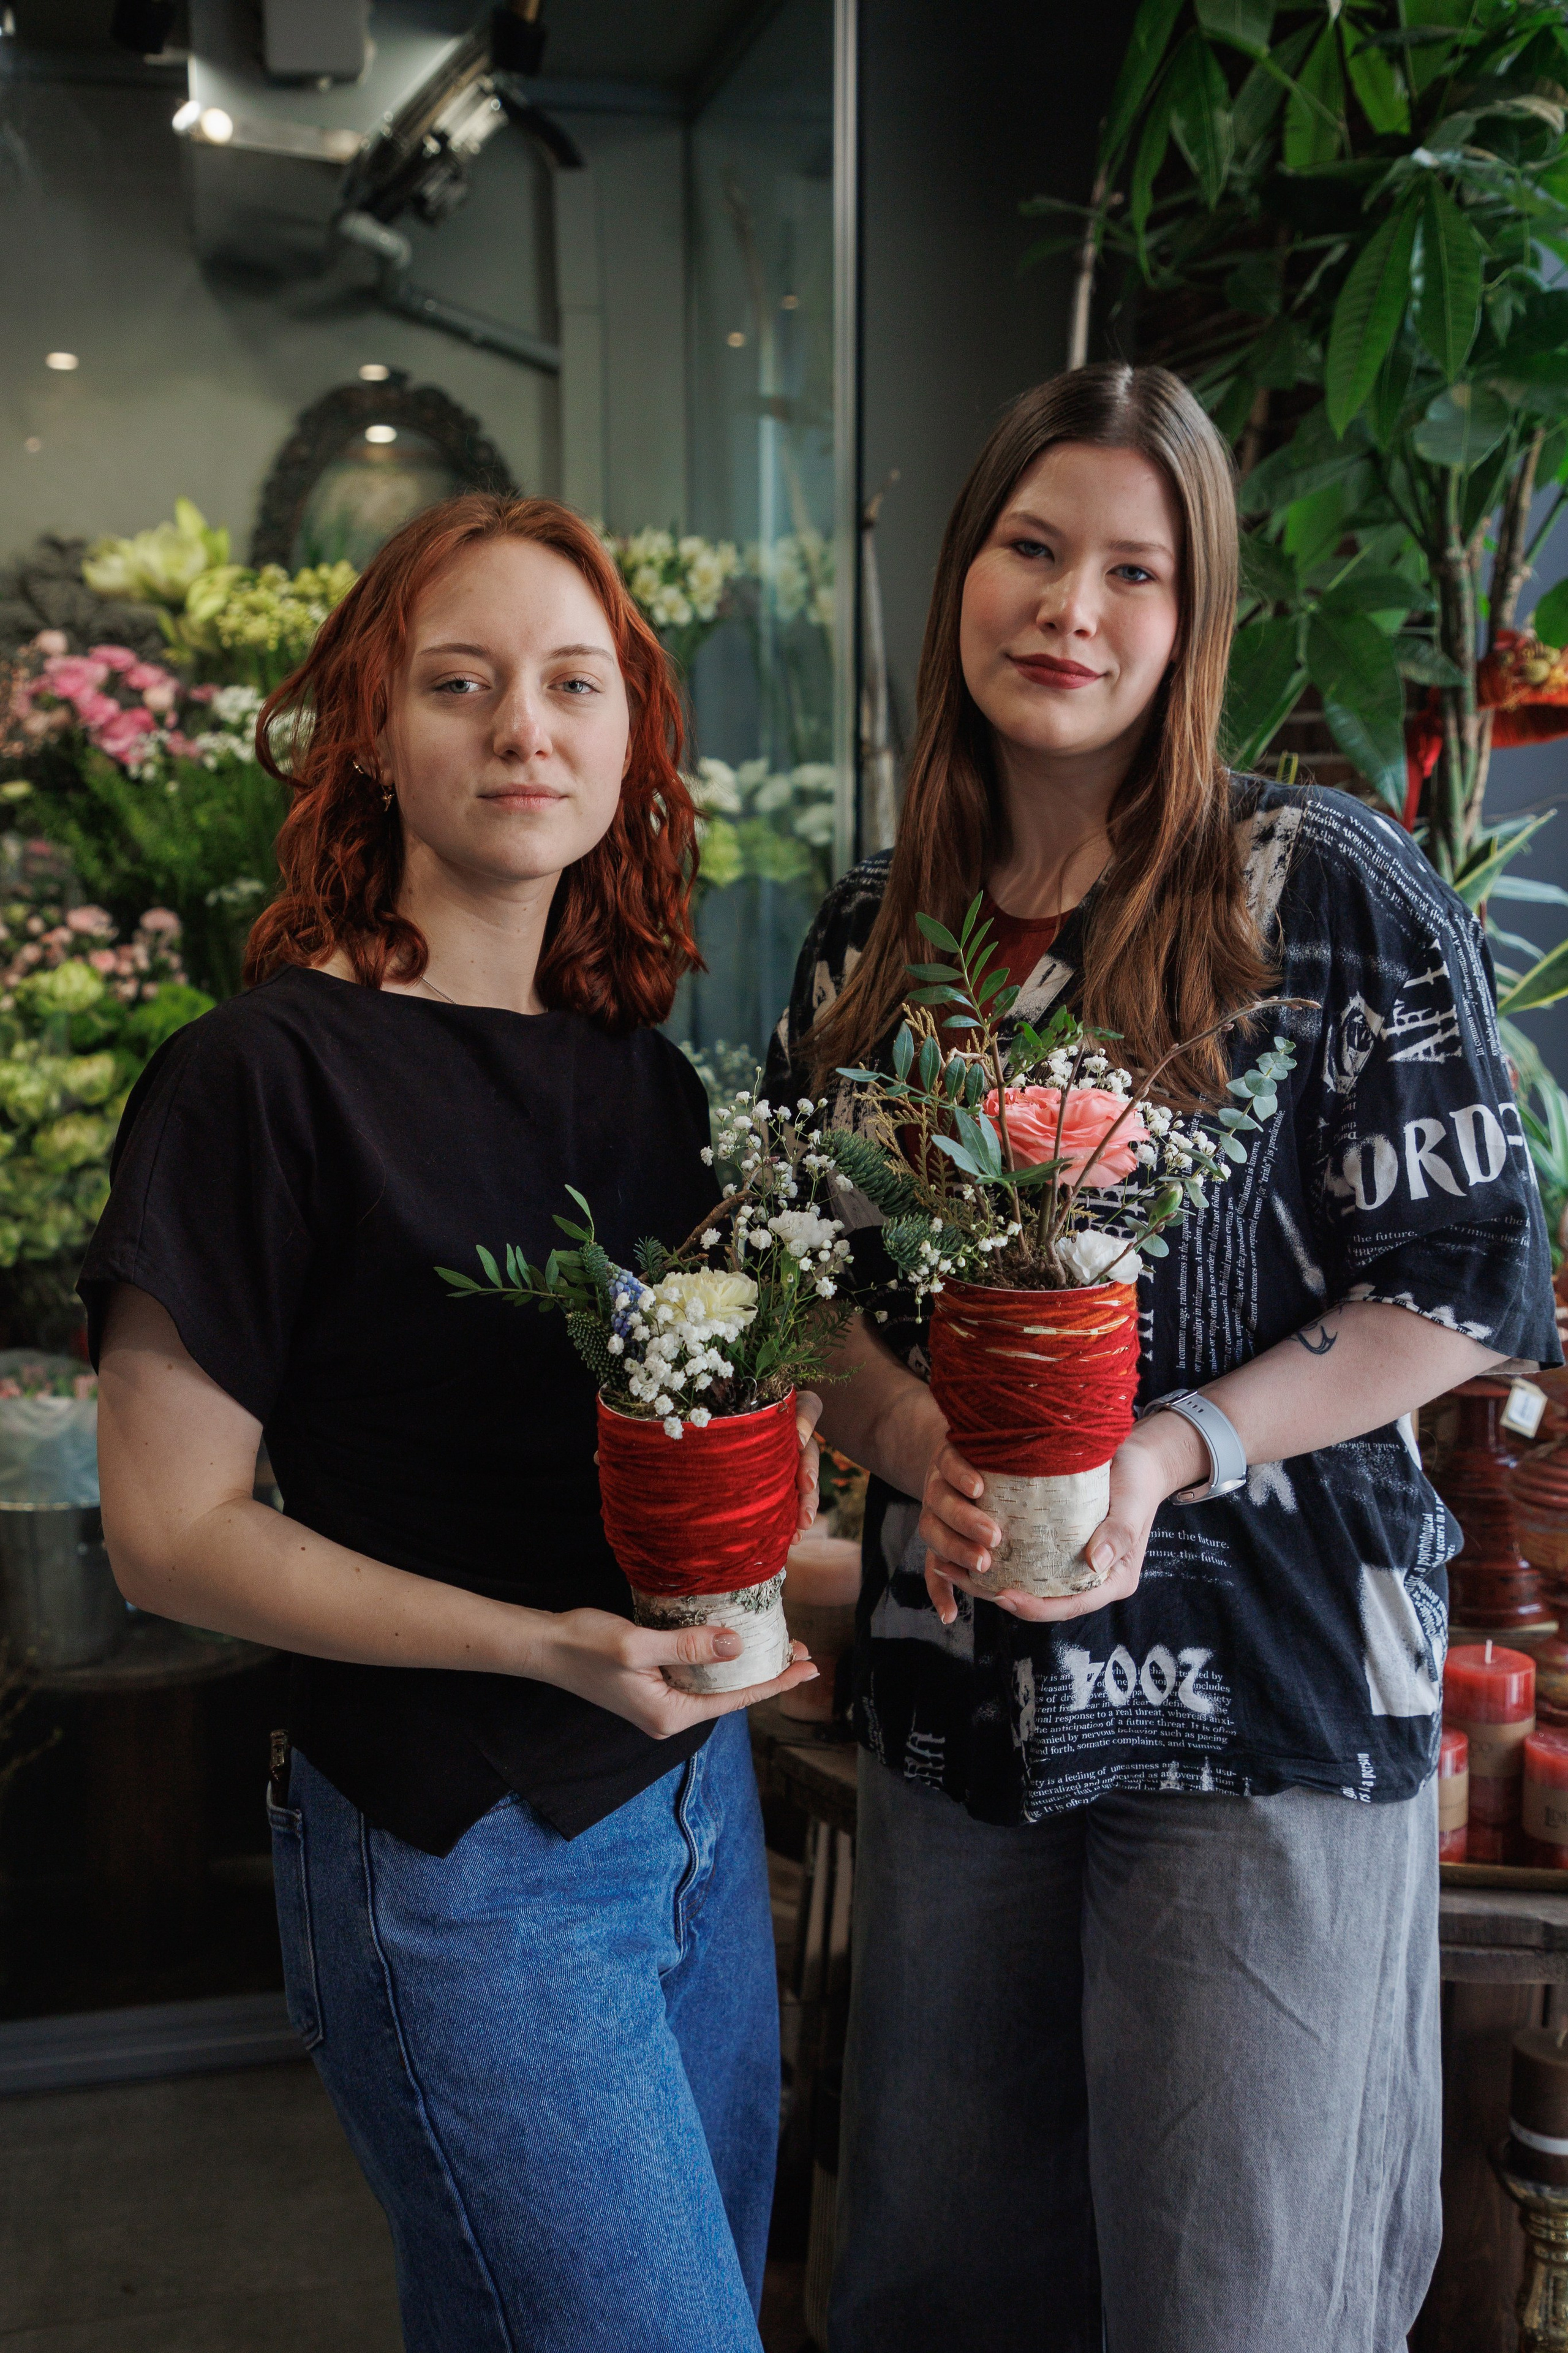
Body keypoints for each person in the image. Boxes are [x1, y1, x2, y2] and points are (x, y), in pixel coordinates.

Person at [766, 363, 1561, 2353]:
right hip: (967, 1699)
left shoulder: (1327, 890)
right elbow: (810, 1305)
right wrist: (917, 1423)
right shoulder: (874, 929)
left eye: (1137, 568)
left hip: (1271, 1704)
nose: (1074, 606)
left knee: (1238, 2308)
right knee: (947, 2293)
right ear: (965, 575)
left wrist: (1169, 1447)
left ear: (1196, 620)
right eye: (1034, 549)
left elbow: (1463, 1285)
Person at [85, 493, 821, 2353]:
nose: (525, 728)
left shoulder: (649, 1085)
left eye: (577, 683)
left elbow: (672, 1468)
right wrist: (544, 1646)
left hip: (693, 1819)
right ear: (373, 739)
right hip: (462, 1848)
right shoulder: (260, 1076)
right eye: (462, 682)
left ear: (634, 744)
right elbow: (169, 1532)